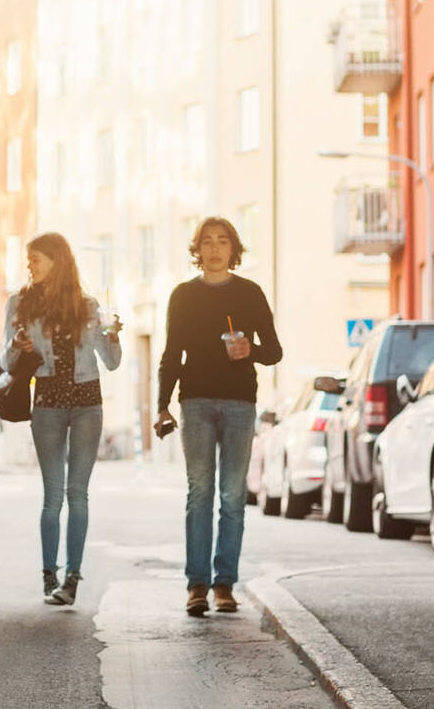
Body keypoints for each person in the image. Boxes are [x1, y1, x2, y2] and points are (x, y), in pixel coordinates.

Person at [154, 216, 282, 617]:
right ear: (198, 250)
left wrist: (251, 351)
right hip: (195, 402)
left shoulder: (250, 293)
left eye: (222, 241)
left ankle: (224, 583)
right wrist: (162, 404)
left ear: (233, 249)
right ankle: (197, 585)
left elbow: (274, 350)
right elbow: (172, 354)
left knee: (231, 496)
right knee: (200, 492)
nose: (214, 248)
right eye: (206, 241)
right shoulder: (182, 295)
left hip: (241, 403)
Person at [4, 232, 121, 606]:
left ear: (57, 260)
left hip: (87, 403)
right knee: (53, 495)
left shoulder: (87, 305)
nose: (30, 266)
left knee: (78, 494)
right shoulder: (19, 304)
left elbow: (113, 361)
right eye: (29, 260)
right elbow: (6, 363)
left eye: (35, 259)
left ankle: (72, 578)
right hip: (48, 403)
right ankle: (48, 575)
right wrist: (17, 347)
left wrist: (113, 335)